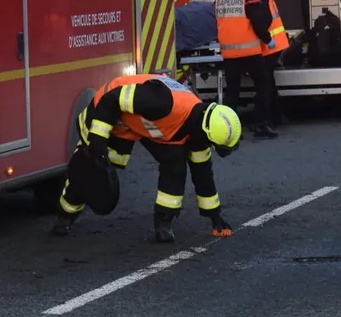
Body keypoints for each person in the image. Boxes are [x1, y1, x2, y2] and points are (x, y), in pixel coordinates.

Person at [51, 73, 242, 243]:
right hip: (105, 114)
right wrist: (98, 140)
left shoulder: (199, 128)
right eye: (214, 145)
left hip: (142, 125)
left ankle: (163, 224)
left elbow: (203, 174)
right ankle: (65, 216)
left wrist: (214, 216)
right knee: (90, 169)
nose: (211, 148)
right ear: (206, 132)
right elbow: (111, 100)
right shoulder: (162, 102)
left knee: (175, 164)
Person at [214, 0, 285, 138]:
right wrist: (268, 40)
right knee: (263, 85)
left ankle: (229, 129)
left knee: (232, 91)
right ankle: (261, 124)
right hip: (250, 51)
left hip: (229, 53)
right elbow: (259, 22)